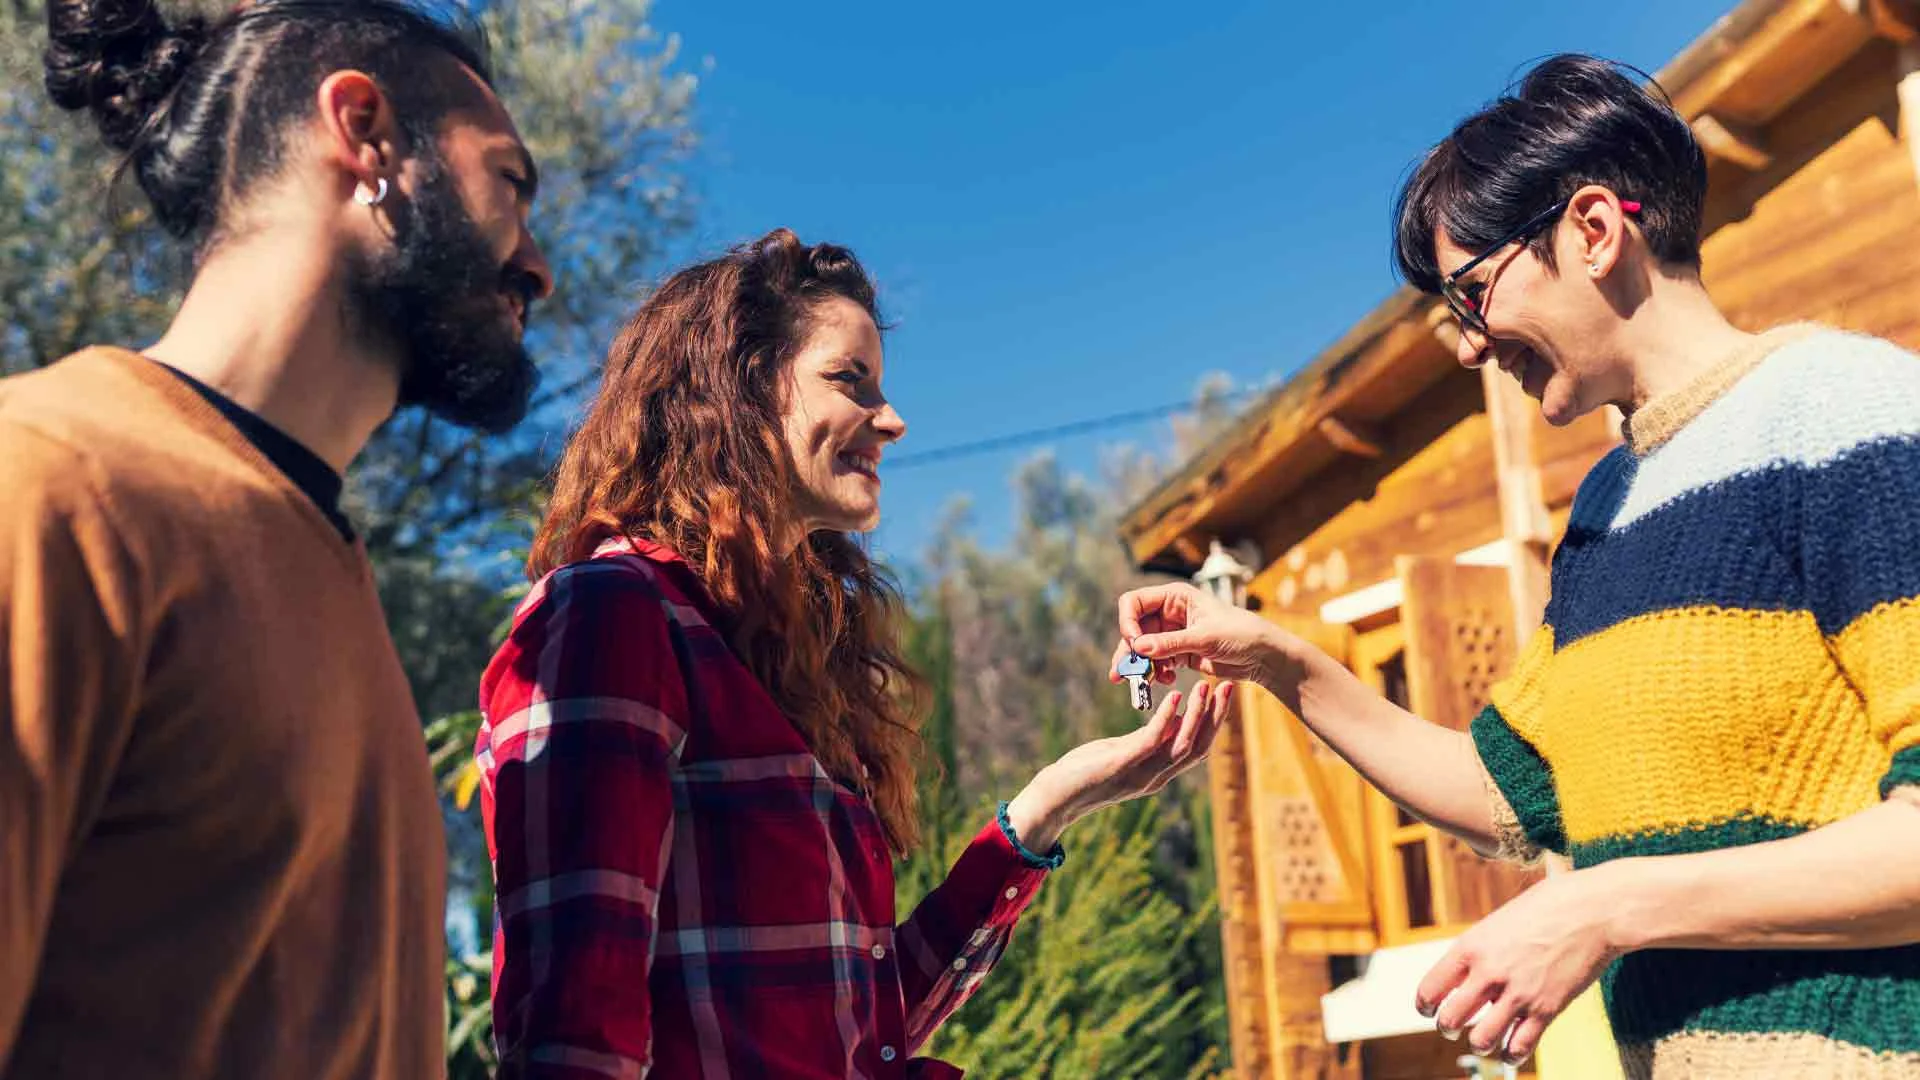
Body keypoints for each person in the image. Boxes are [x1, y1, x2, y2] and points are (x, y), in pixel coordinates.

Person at [1113, 55, 1920, 1078]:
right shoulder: (1608, 508)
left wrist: (1606, 904)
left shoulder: (1851, 415)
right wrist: (1274, 658)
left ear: (1593, 230)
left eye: (1472, 292)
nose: (1465, 344)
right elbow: (1509, 791)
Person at [475, 228, 1228, 1078]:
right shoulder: (614, 617)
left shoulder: (787, 668)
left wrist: (1048, 808)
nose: (895, 420)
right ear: (737, 389)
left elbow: (865, 1029)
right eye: (849, 381)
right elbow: (572, 1036)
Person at [0, 1, 552, 1075]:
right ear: (365, 133)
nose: (538, 267)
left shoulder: (332, 590)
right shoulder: (51, 482)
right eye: (510, 186)